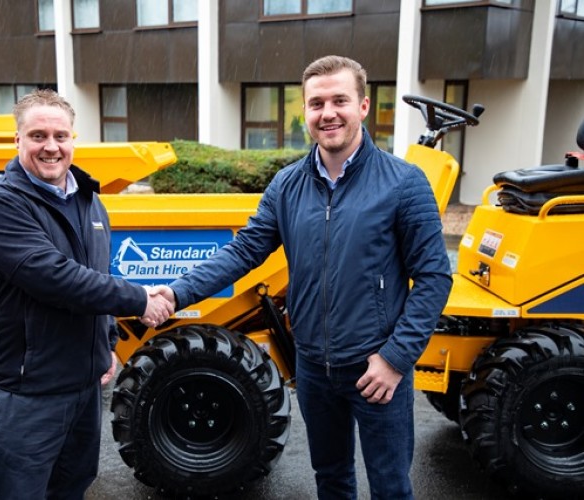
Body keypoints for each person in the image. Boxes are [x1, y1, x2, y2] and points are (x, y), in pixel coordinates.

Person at [154, 55, 452, 499]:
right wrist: (177, 292)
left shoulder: (404, 184)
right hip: (314, 367)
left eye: (339, 100)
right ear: (306, 113)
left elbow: (433, 277)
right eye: (316, 103)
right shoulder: (287, 184)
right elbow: (245, 251)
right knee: (330, 479)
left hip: (377, 369)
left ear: (363, 106)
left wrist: (394, 359)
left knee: (391, 486)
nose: (327, 113)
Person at [0, 89, 173, 499]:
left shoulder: (89, 201)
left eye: (60, 136)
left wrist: (106, 343)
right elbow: (56, 278)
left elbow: (97, 276)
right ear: (18, 141)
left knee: (72, 488)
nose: (51, 146)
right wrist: (140, 300)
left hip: (83, 386)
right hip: (27, 394)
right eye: (38, 135)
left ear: (73, 140)